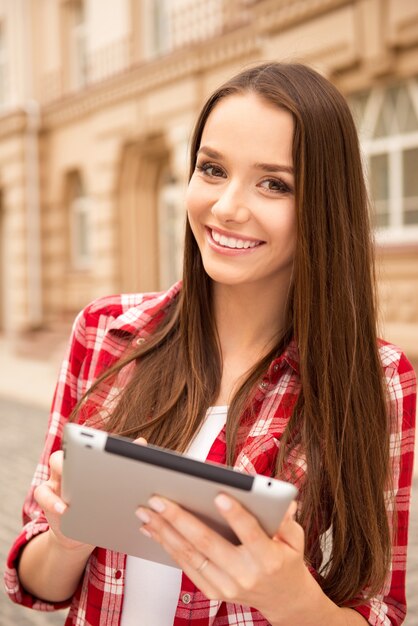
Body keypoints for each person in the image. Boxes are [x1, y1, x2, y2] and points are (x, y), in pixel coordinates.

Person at [4, 62, 416, 626]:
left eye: (274, 183)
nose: (225, 208)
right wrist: (68, 539)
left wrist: (289, 596)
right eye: (212, 169)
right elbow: (32, 584)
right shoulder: (106, 331)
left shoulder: (377, 378)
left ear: (323, 203)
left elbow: (380, 611)